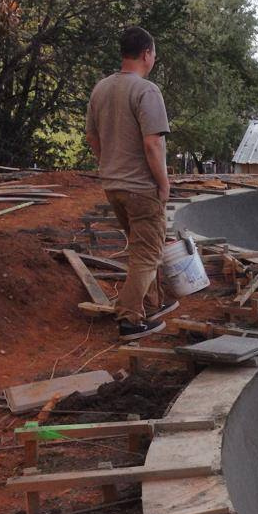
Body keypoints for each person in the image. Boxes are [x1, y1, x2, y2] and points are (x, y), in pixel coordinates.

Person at [85, 26, 178, 341]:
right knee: (149, 253)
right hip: (141, 188)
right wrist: (163, 184)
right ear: (147, 54)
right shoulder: (146, 90)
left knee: (140, 249)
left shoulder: (101, 89)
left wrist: (108, 164)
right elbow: (153, 145)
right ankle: (130, 320)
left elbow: (92, 137)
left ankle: (151, 303)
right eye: (154, 53)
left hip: (113, 185)